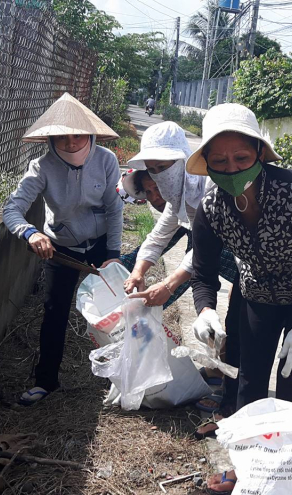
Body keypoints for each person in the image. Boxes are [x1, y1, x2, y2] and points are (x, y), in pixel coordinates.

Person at [187, 103, 292, 495]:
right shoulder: (211, 208)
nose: (231, 168)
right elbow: (202, 270)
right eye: (220, 160)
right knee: (249, 378)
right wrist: (205, 308)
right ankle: (249, 467)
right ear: (207, 162)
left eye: (241, 157)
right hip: (258, 288)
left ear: (259, 154)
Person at [3, 93, 123, 406]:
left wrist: (113, 253)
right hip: (61, 249)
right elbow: (12, 209)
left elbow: (114, 209)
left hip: (99, 245)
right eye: (62, 137)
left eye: (78, 136)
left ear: (91, 135)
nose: (70, 143)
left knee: (119, 309)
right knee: (54, 312)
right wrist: (30, 233)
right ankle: (46, 381)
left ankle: (124, 374)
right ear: (50, 138)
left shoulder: (107, 161)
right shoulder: (41, 167)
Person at [119, 122, 243, 424]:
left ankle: (234, 397)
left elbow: (208, 246)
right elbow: (160, 233)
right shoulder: (178, 196)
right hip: (229, 257)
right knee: (214, 317)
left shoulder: (209, 184)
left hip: (248, 259)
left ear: (184, 160)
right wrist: (138, 271)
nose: (159, 177)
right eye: (153, 168)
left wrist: (169, 282)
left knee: (241, 321)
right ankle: (221, 372)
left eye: (164, 166)